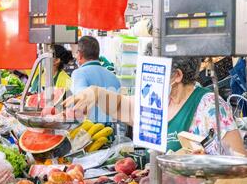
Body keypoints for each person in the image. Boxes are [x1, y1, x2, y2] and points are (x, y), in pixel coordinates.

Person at [63, 56, 246, 156]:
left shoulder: (210, 107)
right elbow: (121, 106)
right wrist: (95, 92)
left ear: (176, 76)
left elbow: (238, 163)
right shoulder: (158, 100)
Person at [72, 36, 121, 122]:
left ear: (80, 55)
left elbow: (80, 101)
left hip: (89, 131)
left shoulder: (78, 73)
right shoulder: (114, 77)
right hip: (110, 131)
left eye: (76, 53)